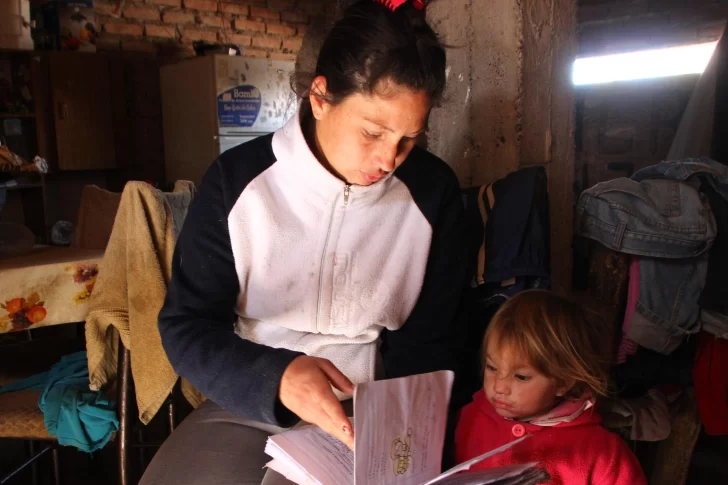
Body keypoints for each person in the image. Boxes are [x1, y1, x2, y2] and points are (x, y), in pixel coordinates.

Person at [139, 1, 468, 484]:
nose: (388, 159)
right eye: (373, 132)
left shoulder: (432, 194)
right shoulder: (238, 182)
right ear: (320, 97)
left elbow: (435, 341)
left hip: (370, 414)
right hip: (250, 396)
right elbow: (186, 324)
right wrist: (277, 376)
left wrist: (393, 433)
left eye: (408, 139)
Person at [454, 290, 647, 485]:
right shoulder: (470, 417)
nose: (499, 386)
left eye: (521, 377)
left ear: (563, 382)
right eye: (492, 367)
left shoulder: (602, 454)